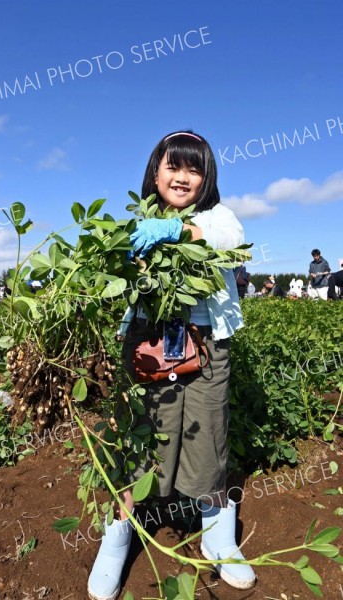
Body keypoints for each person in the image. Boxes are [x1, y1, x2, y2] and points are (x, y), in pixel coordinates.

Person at [87, 131, 256, 600]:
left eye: (194, 169)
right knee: (138, 434)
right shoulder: (138, 220)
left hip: (206, 345)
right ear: (155, 172)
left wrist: (179, 231)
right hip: (147, 341)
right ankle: (119, 534)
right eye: (173, 167)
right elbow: (114, 278)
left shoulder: (216, 217)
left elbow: (232, 240)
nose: (182, 177)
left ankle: (218, 536)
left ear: (207, 178)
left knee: (210, 433)